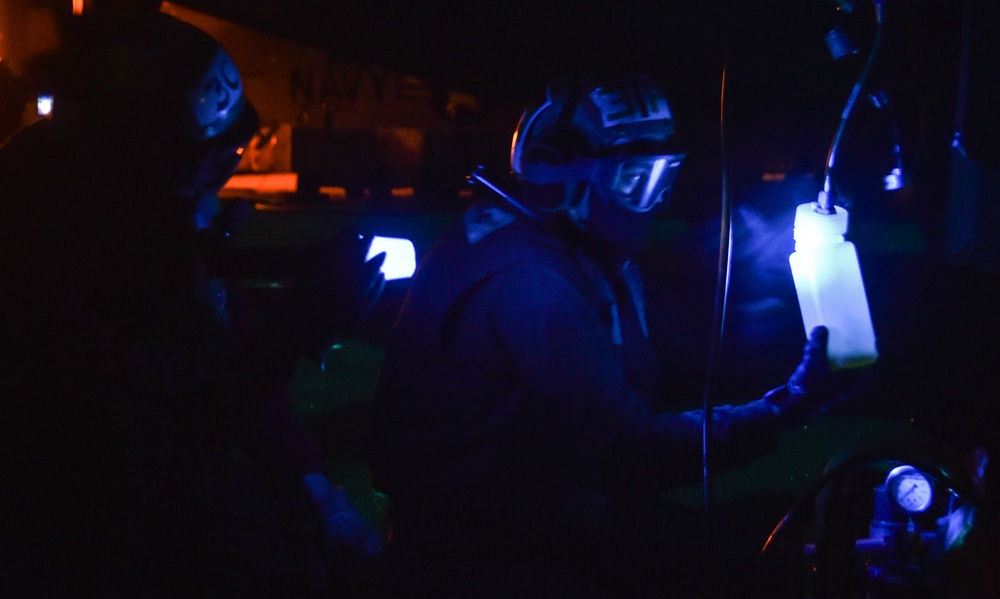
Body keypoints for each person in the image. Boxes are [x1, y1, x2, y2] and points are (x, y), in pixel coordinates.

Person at [366, 73, 837, 597]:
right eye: (635, 180)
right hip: (481, 556)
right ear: (562, 178)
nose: (653, 202)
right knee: (760, 554)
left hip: (513, 525)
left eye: (664, 179)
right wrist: (783, 408)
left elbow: (630, 375)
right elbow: (625, 451)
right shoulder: (535, 280)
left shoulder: (548, 244)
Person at [0, 10, 383, 596]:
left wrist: (312, 486)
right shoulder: (63, 268)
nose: (218, 182)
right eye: (206, 164)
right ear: (141, 165)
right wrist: (294, 329)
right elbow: (159, 448)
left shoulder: (110, 225)